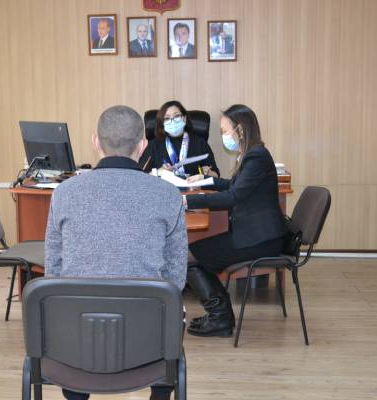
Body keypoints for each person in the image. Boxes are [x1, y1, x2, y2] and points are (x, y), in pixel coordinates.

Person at [45, 105, 188, 400]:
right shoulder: (169, 195)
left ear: (96, 142)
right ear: (143, 145)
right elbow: (176, 277)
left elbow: (53, 272)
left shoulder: (63, 193)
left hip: (75, 351)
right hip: (149, 352)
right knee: (172, 309)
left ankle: (76, 393)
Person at [183, 104, 287, 337]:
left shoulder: (256, 156)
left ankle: (220, 317)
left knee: (188, 256)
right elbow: (235, 186)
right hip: (255, 235)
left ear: (240, 129)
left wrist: (188, 201)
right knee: (191, 254)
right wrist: (208, 181)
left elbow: (234, 196)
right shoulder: (254, 154)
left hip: (259, 240)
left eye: (224, 130)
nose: (223, 136)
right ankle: (221, 315)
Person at [139, 100, 220, 177]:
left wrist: (209, 173)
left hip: (193, 187)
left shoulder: (200, 143)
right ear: (162, 123)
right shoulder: (153, 145)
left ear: (184, 118)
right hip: (163, 187)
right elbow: (140, 176)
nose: (172, 120)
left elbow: (216, 174)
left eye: (177, 116)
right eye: (167, 118)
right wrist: (159, 172)